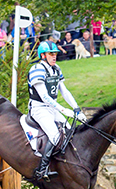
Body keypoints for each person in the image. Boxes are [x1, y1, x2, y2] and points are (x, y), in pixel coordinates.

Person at [27, 40, 87, 181]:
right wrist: (63, 110)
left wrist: (76, 109)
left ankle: (64, 165)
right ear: (43, 55)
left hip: (51, 107)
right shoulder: (37, 69)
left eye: (55, 54)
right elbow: (44, 96)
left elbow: (64, 92)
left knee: (69, 130)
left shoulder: (56, 69)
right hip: (39, 108)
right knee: (55, 135)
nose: (54, 56)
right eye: (51, 54)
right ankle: (42, 170)